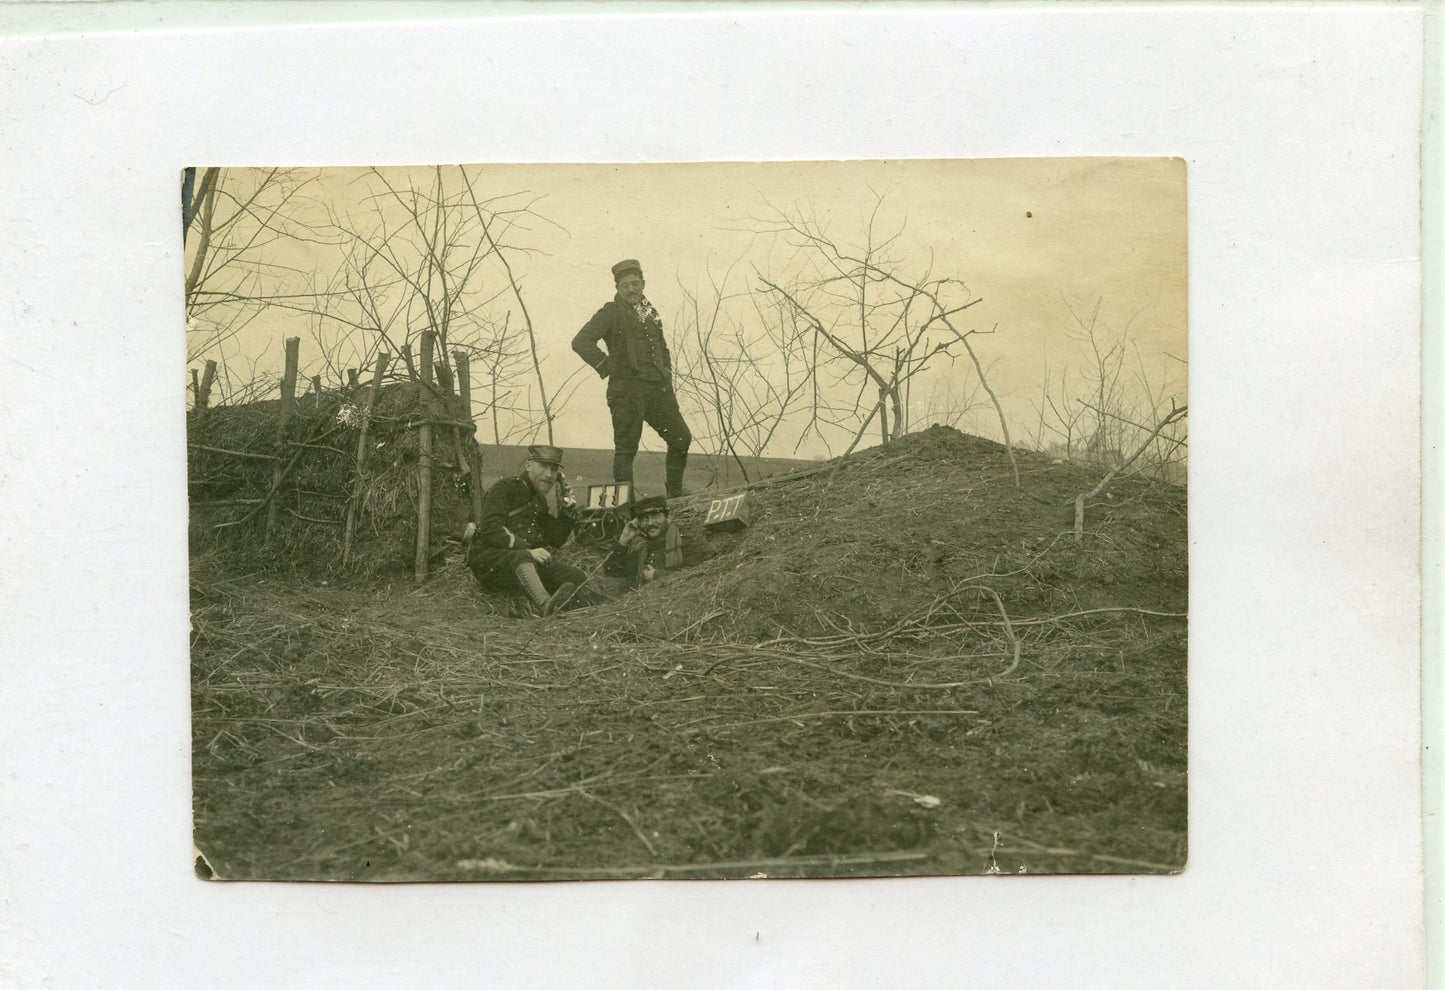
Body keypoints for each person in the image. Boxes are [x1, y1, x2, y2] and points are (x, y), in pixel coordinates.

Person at [571, 258, 693, 498]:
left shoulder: (651, 312)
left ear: (643, 284)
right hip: (626, 392)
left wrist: (665, 371)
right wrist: (608, 367)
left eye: (635, 284)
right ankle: (626, 507)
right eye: (625, 285)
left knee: (681, 437)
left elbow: (662, 347)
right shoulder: (610, 313)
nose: (631, 289)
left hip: (658, 390)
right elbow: (581, 341)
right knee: (627, 450)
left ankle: (676, 493)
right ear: (617, 288)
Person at [467, 444, 585, 617]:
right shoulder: (505, 488)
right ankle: (546, 607)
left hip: (525, 565)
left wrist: (567, 512)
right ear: (529, 466)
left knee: (576, 576)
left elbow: (555, 539)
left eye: (553, 470)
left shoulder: (539, 501)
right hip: (490, 562)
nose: (548, 475)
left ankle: (563, 611)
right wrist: (527, 550)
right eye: (543, 467)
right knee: (523, 557)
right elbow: (491, 528)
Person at [597, 494, 684, 593]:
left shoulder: (685, 543)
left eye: (656, 517)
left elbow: (696, 576)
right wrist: (623, 541)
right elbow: (611, 570)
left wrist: (657, 575)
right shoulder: (641, 549)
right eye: (645, 519)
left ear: (668, 518)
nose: (650, 523)